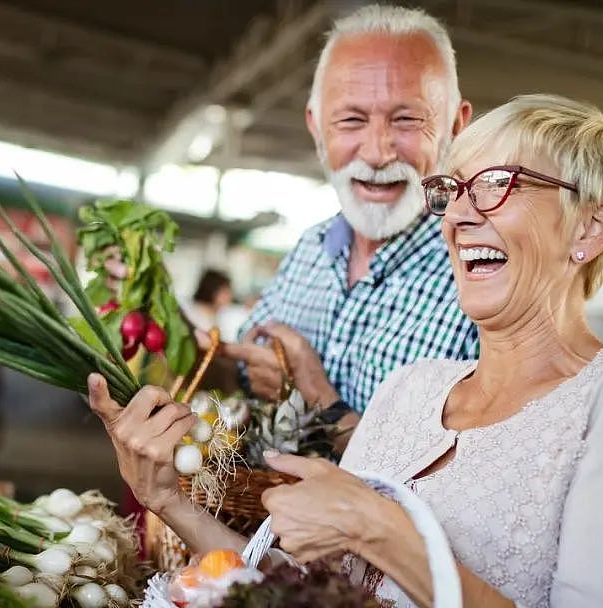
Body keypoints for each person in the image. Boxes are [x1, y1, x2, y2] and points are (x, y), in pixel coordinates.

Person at [86, 93, 603, 607]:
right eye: (453, 189)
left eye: (495, 185)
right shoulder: (413, 387)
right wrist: (166, 498)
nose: (459, 214)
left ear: (592, 227)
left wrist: (378, 530)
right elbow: (303, 589)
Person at [204, 5, 478, 434]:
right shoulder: (311, 248)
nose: (376, 152)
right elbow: (239, 378)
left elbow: (461, 482)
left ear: (456, 127)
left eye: (406, 119)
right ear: (316, 127)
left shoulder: (480, 280)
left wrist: (315, 397)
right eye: (351, 120)